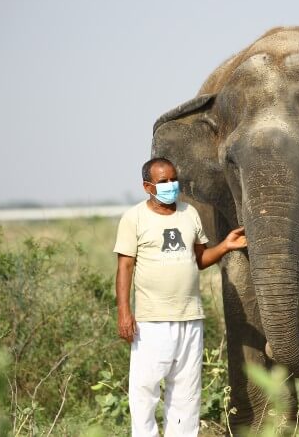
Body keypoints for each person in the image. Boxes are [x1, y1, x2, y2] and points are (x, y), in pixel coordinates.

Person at [113, 157, 247, 437]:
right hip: (152, 322)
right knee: (145, 391)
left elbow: (199, 259)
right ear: (147, 186)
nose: (171, 186)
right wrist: (124, 312)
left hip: (190, 318)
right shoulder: (134, 218)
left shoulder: (189, 214)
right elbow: (125, 266)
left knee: (187, 394)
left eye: (174, 180)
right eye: (163, 182)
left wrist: (224, 246)